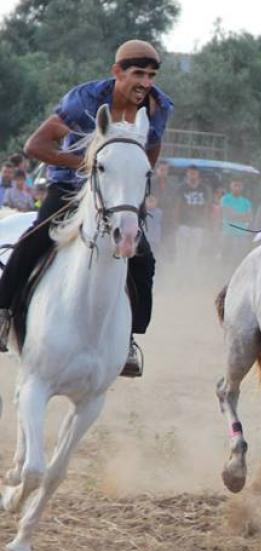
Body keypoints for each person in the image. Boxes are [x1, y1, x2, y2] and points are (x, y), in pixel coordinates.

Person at [0, 40, 172, 377]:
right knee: (35, 239)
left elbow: (151, 150)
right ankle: (3, 312)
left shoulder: (159, 106)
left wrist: (133, 180)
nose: (145, 83)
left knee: (144, 259)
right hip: (68, 185)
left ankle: (128, 341)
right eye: (138, 73)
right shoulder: (85, 100)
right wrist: (88, 164)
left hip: (116, 195)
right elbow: (35, 144)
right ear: (117, 72)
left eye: (151, 75)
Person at [175, 166, 213, 262]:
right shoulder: (181, 188)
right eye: (191, 173)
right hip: (183, 223)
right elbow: (176, 206)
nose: (192, 176)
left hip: (198, 225)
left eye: (194, 173)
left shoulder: (204, 189)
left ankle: (191, 271)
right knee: (181, 250)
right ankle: (179, 270)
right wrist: (175, 222)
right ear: (187, 174)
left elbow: (207, 207)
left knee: (194, 251)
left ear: (198, 174)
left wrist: (206, 223)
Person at [219, 178, 254, 263]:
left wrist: (235, 215)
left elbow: (249, 218)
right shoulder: (225, 199)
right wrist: (243, 215)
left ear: (242, 187)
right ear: (231, 186)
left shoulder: (246, 202)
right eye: (235, 185)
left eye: (239, 186)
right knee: (225, 257)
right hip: (228, 232)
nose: (237, 188)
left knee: (239, 259)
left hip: (242, 234)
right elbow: (228, 215)